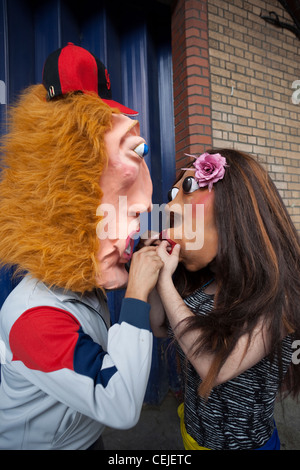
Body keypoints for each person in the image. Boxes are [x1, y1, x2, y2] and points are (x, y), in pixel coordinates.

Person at [0, 43, 163, 450]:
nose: (142, 209)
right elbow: (120, 405)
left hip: (86, 437)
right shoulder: (32, 318)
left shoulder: (83, 280)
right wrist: (138, 292)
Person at [150, 149, 300, 450]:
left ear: (234, 210)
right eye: (173, 193)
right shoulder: (203, 279)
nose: (169, 206)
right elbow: (160, 328)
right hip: (192, 433)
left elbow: (214, 367)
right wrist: (155, 273)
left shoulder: (279, 297)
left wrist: (165, 282)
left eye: (189, 189)